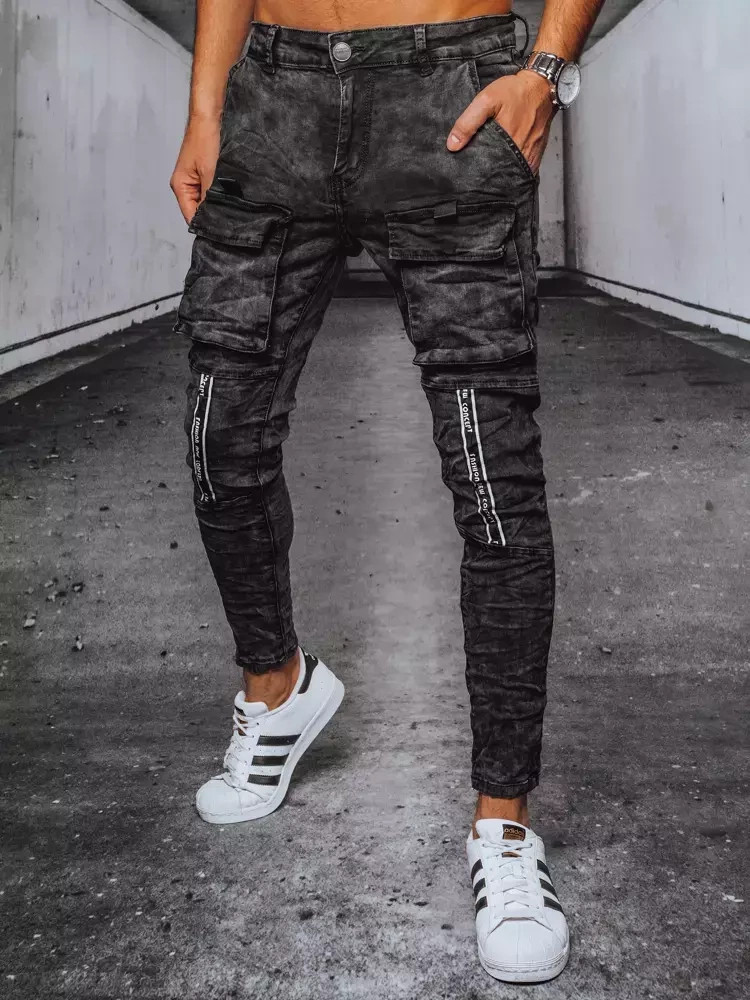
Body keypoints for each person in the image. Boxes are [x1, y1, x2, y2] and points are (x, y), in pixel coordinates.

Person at [170, 0, 602, 984]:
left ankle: (503, 823)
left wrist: (546, 71)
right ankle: (277, 688)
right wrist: (204, 108)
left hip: (447, 98)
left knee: (491, 476)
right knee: (219, 437)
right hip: (274, 103)